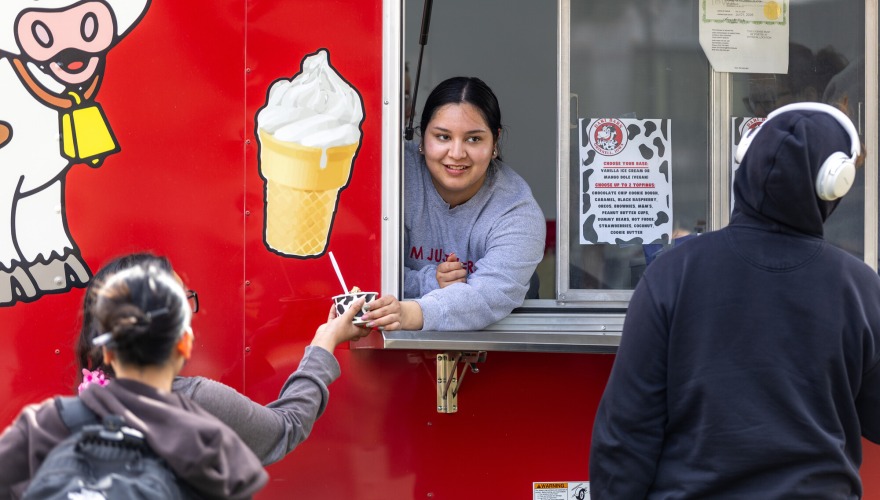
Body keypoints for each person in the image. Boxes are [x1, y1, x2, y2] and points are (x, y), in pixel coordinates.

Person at [589, 103, 880, 498]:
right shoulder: (860, 287)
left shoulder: (673, 273)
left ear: (745, 160)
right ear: (833, 185)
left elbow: (626, 433)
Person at [0, 261, 272, 498]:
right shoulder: (201, 416)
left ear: (105, 347)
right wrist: (316, 354)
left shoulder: (46, 421)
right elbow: (283, 429)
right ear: (184, 341)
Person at [73, 252, 369, 465]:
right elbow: (284, 428)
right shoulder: (192, 400)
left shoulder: (100, 393)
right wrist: (324, 342)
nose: (191, 310)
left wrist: (262, 344)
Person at [363, 76, 545, 331]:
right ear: (422, 138)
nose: (457, 153)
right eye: (443, 137)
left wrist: (411, 313)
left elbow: (488, 296)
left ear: (495, 142)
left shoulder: (517, 211)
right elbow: (365, 270)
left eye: (474, 139)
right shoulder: (392, 179)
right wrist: (431, 281)